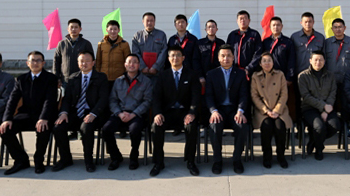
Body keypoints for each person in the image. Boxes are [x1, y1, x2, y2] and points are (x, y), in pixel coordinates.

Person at [0, 51, 59, 175]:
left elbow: (50, 100)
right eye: (32, 60)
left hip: (45, 115)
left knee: (43, 129)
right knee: (5, 130)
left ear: (43, 63)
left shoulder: (51, 78)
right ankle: (21, 160)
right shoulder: (21, 79)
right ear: (27, 63)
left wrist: (43, 118)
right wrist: (7, 119)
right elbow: (12, 100)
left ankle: (38, 161)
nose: (35, 63)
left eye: (38, 60)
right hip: (26, 114)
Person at [52, 51, 109, 172]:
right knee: (58, 127)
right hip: (76, 112)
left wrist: (93, 114)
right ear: (78, 63)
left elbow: (103, 99)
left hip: (93, 113)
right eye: (81, 61)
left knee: (86, 128)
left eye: (87, 61)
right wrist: (64, 113)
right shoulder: (73, 78)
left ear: (93, 62)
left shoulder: (101, 77)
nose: (84, 63)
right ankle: (65, 159)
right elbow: (67, 99)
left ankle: (88, 160)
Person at [150, 46, 201, 176]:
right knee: (156, 126)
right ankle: (158, 162)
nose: (175, 58)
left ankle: (190, 161)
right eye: (172, 55)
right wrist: (157, 113)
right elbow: (156, 97)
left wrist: (191, 113)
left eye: (178, 55)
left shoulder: (192, 74)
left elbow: (196, 97)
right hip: (167, 112)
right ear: (168, 58)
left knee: (191, 126)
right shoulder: (162, 75)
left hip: (185, 112)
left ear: (183, 58)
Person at [102, 53, 152, 171]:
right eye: (129, 62)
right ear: (125, 65)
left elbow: (147, 101)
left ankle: (134, 156)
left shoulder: (146, 81)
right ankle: (116, 157)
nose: (132, 64)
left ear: (139, 65)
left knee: (135, 130)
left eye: (135, 62)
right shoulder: (118, 81)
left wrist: (133, 114)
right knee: (106, 129)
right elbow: (112, 100)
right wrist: (119, 113)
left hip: (136, 114)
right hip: (120, 113)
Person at [205, 44, 250, 174]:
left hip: (234, 110)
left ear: (233, 57)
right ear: (218, 58)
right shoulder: (211, 74)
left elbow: (244, 95)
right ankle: (217, 160)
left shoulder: (240, 73)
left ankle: (237, 160)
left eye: (229, 55)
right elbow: (208, 96)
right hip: (218, 110)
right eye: (223, 56)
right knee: (214, 125)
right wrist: (213, 111)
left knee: (241, 125)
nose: (226, 58)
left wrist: (240, 111)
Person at [251, 52, 292, 168]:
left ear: (273, 62)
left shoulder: (280, 75)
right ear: (260, 63)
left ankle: (281, 155)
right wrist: (266, 110)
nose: (267, 63)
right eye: (264, 61)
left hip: (279, 110)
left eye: (269, 60)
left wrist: (277, 110)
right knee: (266, 126)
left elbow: (284, 94)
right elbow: (254, 96)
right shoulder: (255, 76)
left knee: (280, 126)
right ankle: (267, 156)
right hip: (263, 111)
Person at [297, 51, 340, 160]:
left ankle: (313, 141)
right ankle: (319, 149)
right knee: (319, 127)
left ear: (324, 61)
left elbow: (332, 93)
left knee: (335, 126)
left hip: (328, 108)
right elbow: (306, 96)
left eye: (320, 60)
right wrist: (323, 106)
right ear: (310, 61)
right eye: (315, 60)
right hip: (309, 108)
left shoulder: (330, 76)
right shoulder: (303, 76)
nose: (318, 62)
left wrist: (326, 110)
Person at [323, 18, 350, 111]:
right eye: (335, 27)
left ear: (344, 28)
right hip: (330, 80)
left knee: (345, 105)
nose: (338, 29)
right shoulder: (327, 43)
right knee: (331, 104)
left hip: (346, 80)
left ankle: (345, 119)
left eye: (340, 27)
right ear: (332, 29)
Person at [53, 18, 94, 90]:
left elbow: (92, 61)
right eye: (71, 27)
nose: (73, 29)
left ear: (80, 29)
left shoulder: (86, 44)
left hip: (81, 79)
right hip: (65, 80)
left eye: (76, 27)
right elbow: (56, 62)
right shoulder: (61, 44)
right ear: (68, 29)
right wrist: (57, 78)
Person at [255, 16, 295, 85]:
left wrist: (289, 78)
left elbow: (291, 60)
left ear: (282, 26)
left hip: (282, 76)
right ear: (270, 27)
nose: (276, 27)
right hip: (267, 76)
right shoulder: (265, 42)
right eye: (273, 25)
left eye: (278, 25)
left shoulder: (288, 42)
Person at [131, 12, 168, 81]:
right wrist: (142, 67)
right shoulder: (137, 36)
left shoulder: (161, 35)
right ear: (143, 22)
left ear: (154, 22)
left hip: (157, 73)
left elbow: (163, 52)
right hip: (142, 74)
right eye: (147, 21)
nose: (149, 23)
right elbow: (135, 53)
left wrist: (156, 67)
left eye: (151, 21)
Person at [95, 20, 131, 91]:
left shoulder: (124, 44)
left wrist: (127, 75)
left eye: (115, 29)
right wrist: (97, 75)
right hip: (104, 77)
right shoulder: (101, 44)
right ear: (107, 30)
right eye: (110, 29)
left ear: (119, 30)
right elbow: (98, 61)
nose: (113, 31)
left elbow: (128, 61)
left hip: (119, 77)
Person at [226, 10, 262, 77]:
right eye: (241, 18)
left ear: (249, 20)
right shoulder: (232, 35)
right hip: (234, 71)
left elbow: (258, 53)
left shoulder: (254, 35)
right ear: (237, 21)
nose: (243, 20)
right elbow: (227, 52)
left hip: (251, 72)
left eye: (245, 18)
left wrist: (249, 68)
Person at [197, 19, 225, 88]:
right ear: (205, 29)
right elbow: (196, 60)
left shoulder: (221, 43)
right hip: (204, 76)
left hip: (218, 75)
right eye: (209, 27)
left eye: (213, 27)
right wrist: (200, 76)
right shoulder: (200, 43)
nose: (211, 29)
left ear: (217, 29)